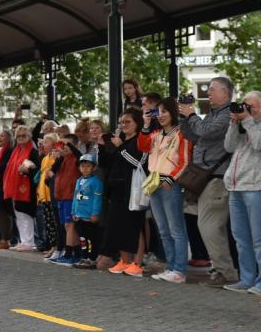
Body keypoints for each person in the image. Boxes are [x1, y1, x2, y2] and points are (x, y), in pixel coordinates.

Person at [179, 77, 238, 287]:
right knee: (211, 227)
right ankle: (223, 270)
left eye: (212, 90)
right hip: (207, 178)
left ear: (226, 93)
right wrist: (184, 116)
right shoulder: (213, 114)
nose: (208, 93)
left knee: (209, 226)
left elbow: (205, 131)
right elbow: (190, 134)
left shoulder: (228, 115)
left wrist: (192, 115)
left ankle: (226, 272)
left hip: (218, 178)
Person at [222, 91, 261, 297]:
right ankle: (247, 279)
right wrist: (233, 123)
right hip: (236, 187)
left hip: (258, 188)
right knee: (241, 238)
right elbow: (228, 147)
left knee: (259, 238)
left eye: (252, 106)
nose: (247, 110)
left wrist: (247, 120)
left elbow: (259, 143)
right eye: (245, 105)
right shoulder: (242, 125)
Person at [138, 98, 192, 284]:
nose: (160, 116)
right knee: (162, 229)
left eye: (164, 111)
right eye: (157, 112)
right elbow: (142, 147)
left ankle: (179, 270)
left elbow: (185, 161)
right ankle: (170, 267)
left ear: (173, 112)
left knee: (176, 229)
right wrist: (145, 124)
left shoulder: (181, 134)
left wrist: (172, 178)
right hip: (154, 184)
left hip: (170, 185)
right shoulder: (155, 134)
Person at [100, 108, 146, 277]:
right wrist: (104, 147)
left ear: (137, 123)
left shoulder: (140, 140)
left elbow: (138, 162)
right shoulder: (121, 140)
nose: (123, 125)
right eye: (121, 122)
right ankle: (124, 260)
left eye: (128, 122)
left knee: (134, 226)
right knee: (118, 226)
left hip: (132, 190)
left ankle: (137, 263)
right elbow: (107, 163)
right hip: (117, 189)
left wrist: (121, 148)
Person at [4, 125, 40, 252]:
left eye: (23, 136)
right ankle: (23, 240)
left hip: (27, 188)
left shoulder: (33, 151)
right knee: (19, 215)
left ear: (29, 137)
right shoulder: (16, 151)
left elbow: (37, 169)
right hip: (15, 187)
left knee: (26, 215)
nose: (21, 138)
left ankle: (29, 242)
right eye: (18, 136)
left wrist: (28, 170)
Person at [47, 138, 80, 266]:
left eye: (67, 146)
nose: (64, 148)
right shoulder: (63, 159)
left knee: (69, 225)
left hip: (70, 196)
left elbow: (80, 156)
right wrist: (60, 156)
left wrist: (70, 144)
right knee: (67, 226)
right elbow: (53, 170)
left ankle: (68, 253)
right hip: (61, 197)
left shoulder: (77, 159)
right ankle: (76, 253)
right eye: (63, 145)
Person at [71, 153, 104, 269]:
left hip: (89, 217)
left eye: (88, 166)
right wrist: (73, 211)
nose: (85, 169)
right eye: (82, 166)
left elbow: (97, 199)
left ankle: (91, 258)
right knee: (82, 238)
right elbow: (75, 197)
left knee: (90, 239)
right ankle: (84, 257)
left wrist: (95, 213)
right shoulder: (78, 180)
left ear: (94, 168)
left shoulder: (96, 182)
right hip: (79, 215)